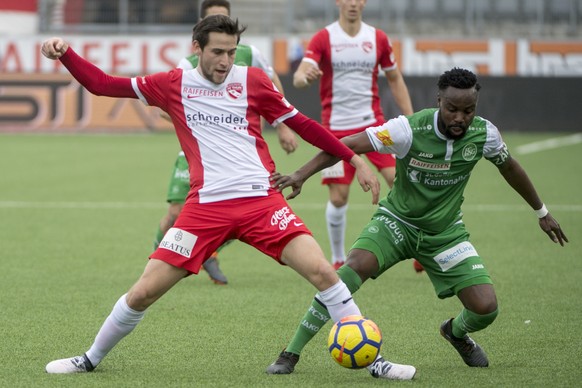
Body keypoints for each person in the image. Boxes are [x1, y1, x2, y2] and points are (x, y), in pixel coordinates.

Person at [40, 15, 417, 379]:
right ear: (197, 49)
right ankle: (88, 359)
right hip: (205, 209)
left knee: (322, 272)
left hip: (261, 202)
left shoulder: (253, 81)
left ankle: (376, 361)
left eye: (231, 52)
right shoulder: (173, 83)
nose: (225, 61)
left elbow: (304, 125)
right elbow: (103, 84)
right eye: (217, 52)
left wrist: (355, 158)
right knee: (143, 292)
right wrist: (66, 54)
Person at [267, 67, 568, 376]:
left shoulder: (484, 134)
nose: (460, 118)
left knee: (486, 308)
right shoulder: (407, 129)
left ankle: (456, 332)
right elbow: (347, 144)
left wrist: (542, 212)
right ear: (439, 101)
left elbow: (510, 168)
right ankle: (291, 352)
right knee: (350, 270)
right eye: (452, 109)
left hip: (445, 234)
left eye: (468, 110)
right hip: (396, 223)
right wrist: (300, 174)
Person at [155, 0, 299, 285]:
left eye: (223, 17)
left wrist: (281, 125)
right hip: (197, 154)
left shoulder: (249, 54)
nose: (225, 58)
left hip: (242, 157)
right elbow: (164, 107)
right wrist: (199, 126)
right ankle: (160, 257)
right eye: (213, 18)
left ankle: (210, 251)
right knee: (174, 213)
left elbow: (274, 87)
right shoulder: (189, 64)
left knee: (245, 212)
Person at [293, 0, 415, 271]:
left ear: (364, 2)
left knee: (401, 183)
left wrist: (410, 119)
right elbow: (299, 76)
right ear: (338, 2)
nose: (352, 3)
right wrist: (306, 77)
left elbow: (395, 79)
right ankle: (338, 258)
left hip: (374, 128)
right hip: (335, 130)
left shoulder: (378, 38)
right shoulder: (324, 37)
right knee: (338, 197)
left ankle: (418, 245)